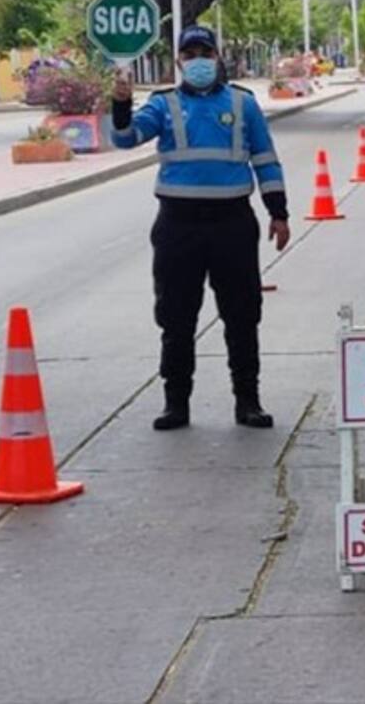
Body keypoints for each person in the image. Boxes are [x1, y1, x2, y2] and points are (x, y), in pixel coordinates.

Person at [110, 25, 291, 431]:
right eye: (189, 54)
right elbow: (125, 138)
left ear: (218, 56)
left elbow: (266, 159)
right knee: (175, 318)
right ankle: (176, 404)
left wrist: (278, 213)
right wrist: (120, 104)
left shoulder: (244, 105)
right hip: (179, 225)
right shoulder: (164, 105)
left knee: (243, 316)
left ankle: (248, 401)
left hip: (233, 223)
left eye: (204, 52)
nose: (197, 61)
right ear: (179, 61)